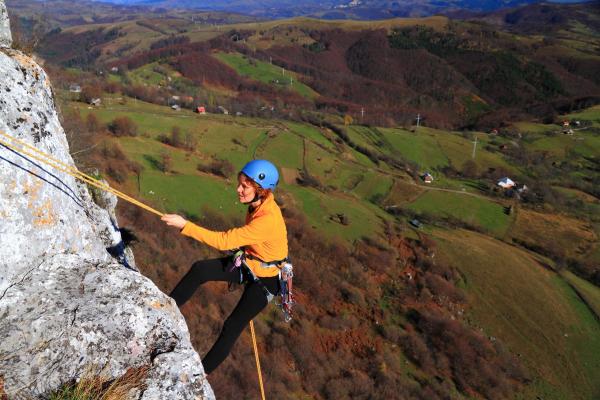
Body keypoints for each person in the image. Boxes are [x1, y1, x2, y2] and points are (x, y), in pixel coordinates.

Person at [161, 159, 288, 375]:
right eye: (239, 184)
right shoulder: (258, 205)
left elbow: (223, 241)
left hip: (266, 280)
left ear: (261, 190)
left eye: (244, 186)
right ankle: (165, 312)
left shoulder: (267, 219)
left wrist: (185, 225)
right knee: (200, 269)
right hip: (250, 262)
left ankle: (199, 375)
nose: (238, 190)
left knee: (232, 326)